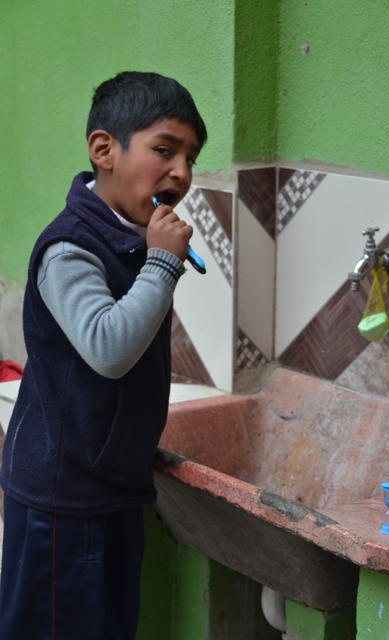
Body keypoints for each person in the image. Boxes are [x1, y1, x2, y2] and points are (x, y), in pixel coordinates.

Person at [0, 71, 207, 639]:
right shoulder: (70, 246)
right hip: (62, 498)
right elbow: (109, 348)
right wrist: (161, 263)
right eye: (164, 150)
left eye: (191, 158)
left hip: (108, 483)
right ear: (104, 150)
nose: (181, 172)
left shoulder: (128, 237)